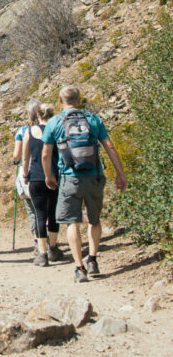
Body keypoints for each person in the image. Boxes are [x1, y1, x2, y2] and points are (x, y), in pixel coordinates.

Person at [42, 86, 127, 282]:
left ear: (60, 99)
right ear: (79, 100)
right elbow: (110, 146)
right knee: (94, 220)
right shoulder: (93, 119)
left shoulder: (54, 122)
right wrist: (120, 174)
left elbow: (46, 154)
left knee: (72, 222)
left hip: (70, 178)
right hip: (95, 176)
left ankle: (79, 268)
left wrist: (49, 175)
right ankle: (93, 259)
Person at [22, 103, 63, 265]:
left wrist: (25, 174)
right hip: (55, 176)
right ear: (52, 115)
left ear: (37, 115)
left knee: (40, 214)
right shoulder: (57, 131)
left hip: (36, 177)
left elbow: (25, 158)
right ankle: (53, 248)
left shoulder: (29, 132)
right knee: (53, 213)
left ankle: (42, 253)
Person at [13, 100, 40, 241]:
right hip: (46, 171)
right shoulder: (48, 128)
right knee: (45, 208)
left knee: (32, 210)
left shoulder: (22, 131)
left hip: (27, 173)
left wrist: (14, 160)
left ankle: (37, 239)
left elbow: (17, 156)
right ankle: (48, 240)